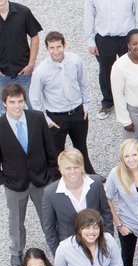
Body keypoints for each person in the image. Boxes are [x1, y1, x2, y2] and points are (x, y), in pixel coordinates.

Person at [0, 82, 57, 266]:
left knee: (47, 216)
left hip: (41, 179)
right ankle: (16, 251)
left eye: (20, 101)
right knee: (16, 221)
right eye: (12, 102)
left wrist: (51, 172)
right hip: (15, 184)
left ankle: (55, 247)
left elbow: (49, 147)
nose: (17, 106)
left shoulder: (37, 118)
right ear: (5, 103)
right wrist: (4, 179)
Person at [29, 32, 95, 174]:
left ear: (64, 45)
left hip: (78, 112)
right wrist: (46, 120)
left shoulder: (75, 61)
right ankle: (59, 181)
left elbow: (84, 83)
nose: (56, 51)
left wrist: (86, 105)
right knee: (56, 152)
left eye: (58, 47)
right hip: (56, 117)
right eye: (52, 48)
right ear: (47, 49)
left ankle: (88, 174)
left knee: (81, 146)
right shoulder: (41, 71)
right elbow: (35, 99)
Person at [83, 0, 138, 119]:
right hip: (104, 38)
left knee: (132, 70)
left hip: (127, 38)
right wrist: (90, 41)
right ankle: (108, 102)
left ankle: (132, 101)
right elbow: (89, 16)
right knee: (106, 72)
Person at [42, 148, 111, 256]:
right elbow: (49, 229)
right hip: (70, 250)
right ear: (60, 169)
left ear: (82, 167)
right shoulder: (50, 193)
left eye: (76, 167)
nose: (73, 172)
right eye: (68, 168)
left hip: (98, 243)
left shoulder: (96, 184)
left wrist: (107, 241)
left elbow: (106, 213)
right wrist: (58, 253)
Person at [54, 208, 124, 266]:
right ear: (79, 229)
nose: (91, 232)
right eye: (87, 227)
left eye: (95, 227)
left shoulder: (109, 241)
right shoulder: (64, 247)